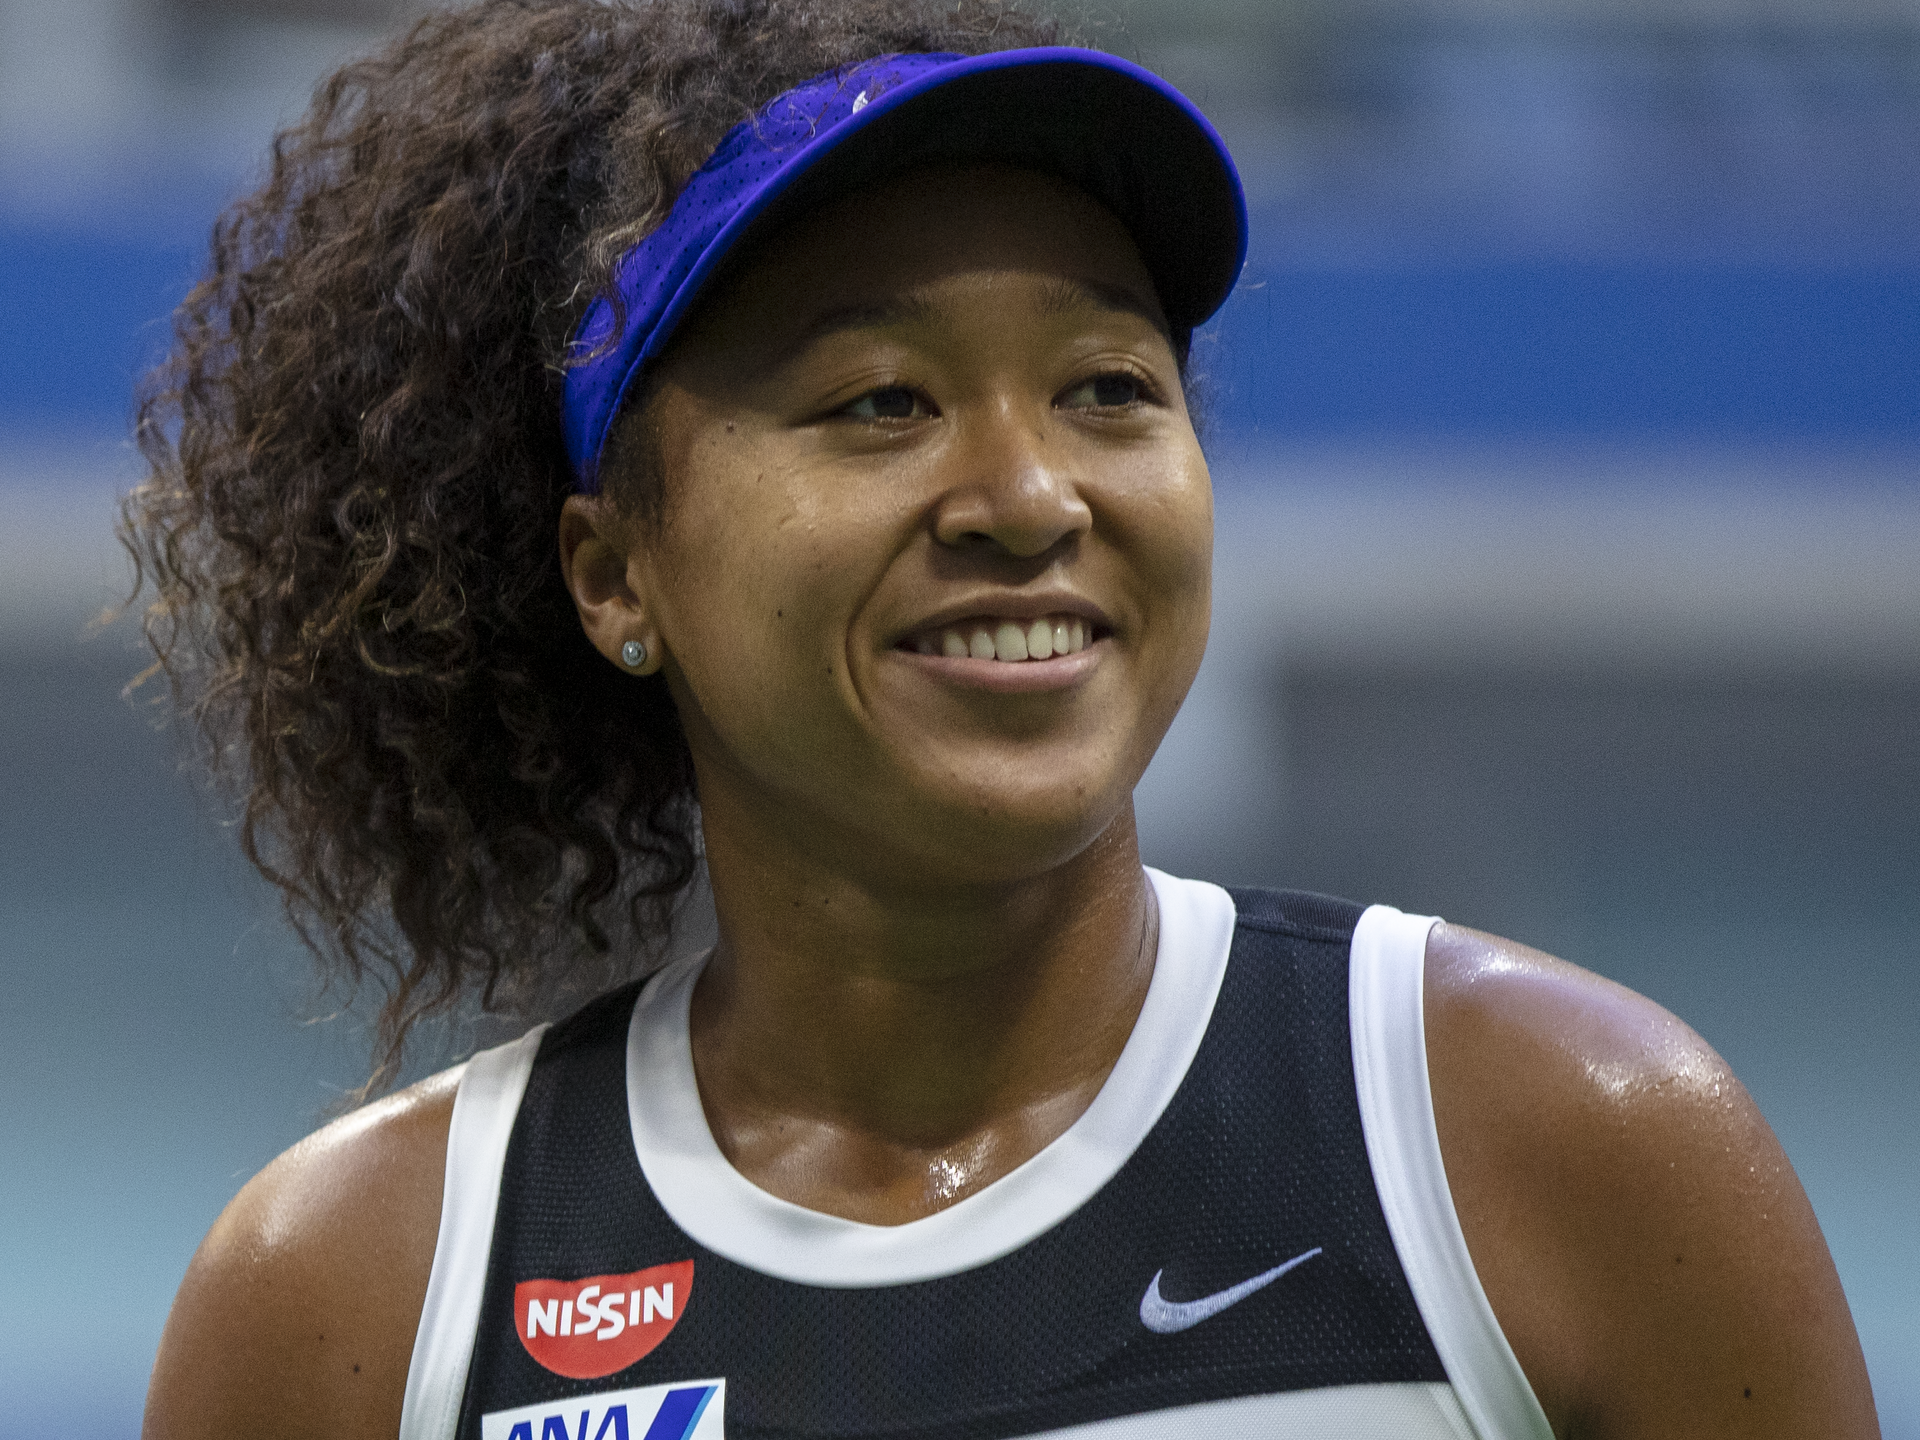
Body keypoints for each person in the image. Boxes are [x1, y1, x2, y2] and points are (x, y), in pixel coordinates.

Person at [130, 2, 1879, 1437]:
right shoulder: (362, 1303)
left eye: (1108, 387)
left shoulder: (1561, 1144)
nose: (1032, 496)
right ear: (613, 574)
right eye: (881, 402)